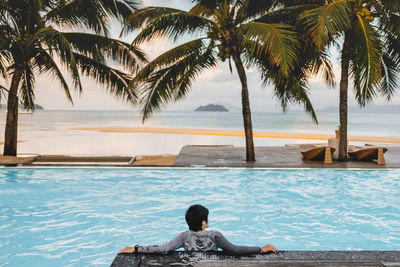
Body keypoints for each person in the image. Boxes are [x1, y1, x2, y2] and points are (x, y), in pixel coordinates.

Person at [119, 204, 279, 255]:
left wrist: (135, 248)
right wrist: (261, 248)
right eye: (207, 218)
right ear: (203, 223)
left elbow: (163, 248)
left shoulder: (183, 236)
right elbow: (234, 249)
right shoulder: (215, 235)